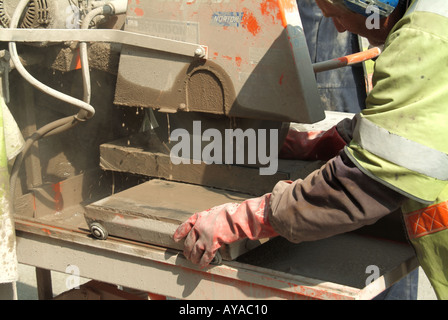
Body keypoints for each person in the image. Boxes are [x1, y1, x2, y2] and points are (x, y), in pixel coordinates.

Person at [173, 0, 448, 299]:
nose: (339, 27)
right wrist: (324, 142)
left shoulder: (421, 39)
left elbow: (359, 187)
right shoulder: (431, 15)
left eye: (338, 16)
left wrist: (246, 218)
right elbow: (426, 118)